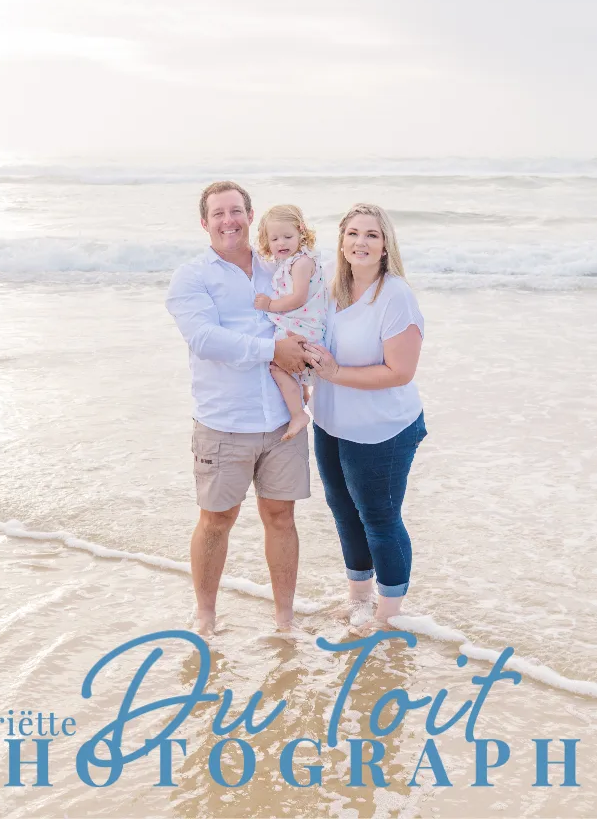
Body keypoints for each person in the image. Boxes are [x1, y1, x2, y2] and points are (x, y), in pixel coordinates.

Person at [166, 181, 311, 636]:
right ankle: (206, 616)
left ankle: (284, 620)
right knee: (216, 521)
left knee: (281, 517)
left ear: (250, 216)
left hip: (283, 420)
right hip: (223, 420)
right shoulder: (191, 277)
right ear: (204, 222)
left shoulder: (278, 268)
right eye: (218, 213)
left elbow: (310, 309)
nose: (228, 220)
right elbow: (205, 340)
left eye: (236, 211)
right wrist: (273, 350)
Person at [305, 203, 427, 630]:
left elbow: (401, 371)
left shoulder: (395, 296)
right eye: (353, 233)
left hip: (382, 429)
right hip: (330, 422)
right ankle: (358, 600)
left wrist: (335, 372)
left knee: (379, 518)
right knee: (342, 510)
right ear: (341, 241)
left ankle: (389, 616)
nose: (361, 242)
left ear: (385, 245)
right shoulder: (329, 288)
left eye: (371, 235)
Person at [252, 204, 328, 442]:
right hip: (301, 323)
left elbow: (298, 298)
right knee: (287, 367)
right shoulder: (288, 262)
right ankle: (302, 393)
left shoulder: (302, 262)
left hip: (306, 326)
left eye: (288, 236)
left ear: (301, 232)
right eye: (274, 238)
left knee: (277, 366)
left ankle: (298, 414)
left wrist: (269, 305)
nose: (281, 243)